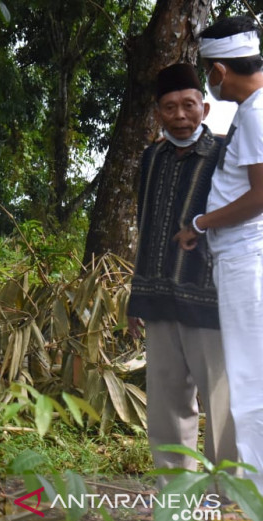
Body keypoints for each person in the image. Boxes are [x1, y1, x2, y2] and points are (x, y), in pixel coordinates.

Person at [128, 63, 236, 481]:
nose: (180, 115)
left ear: (204, 109)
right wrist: (137, 295)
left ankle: (229, 497)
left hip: (211, 299)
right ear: (157, 113)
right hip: (158, 298)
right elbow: (146, 223)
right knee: (166, 404)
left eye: (188, 105)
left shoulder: (226, 153)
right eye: (169, 107)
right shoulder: (151, 157)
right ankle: (175, 492)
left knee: (221, 404)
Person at [174, 16, 263, 492]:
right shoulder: (255, 110)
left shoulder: (255, 114)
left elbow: (259, 197)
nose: (209, 78)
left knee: (250, 382)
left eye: (208, 70)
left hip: (246, 260)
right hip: (243, 258)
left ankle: (254, 493)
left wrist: (201, 224)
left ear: (220, 71)